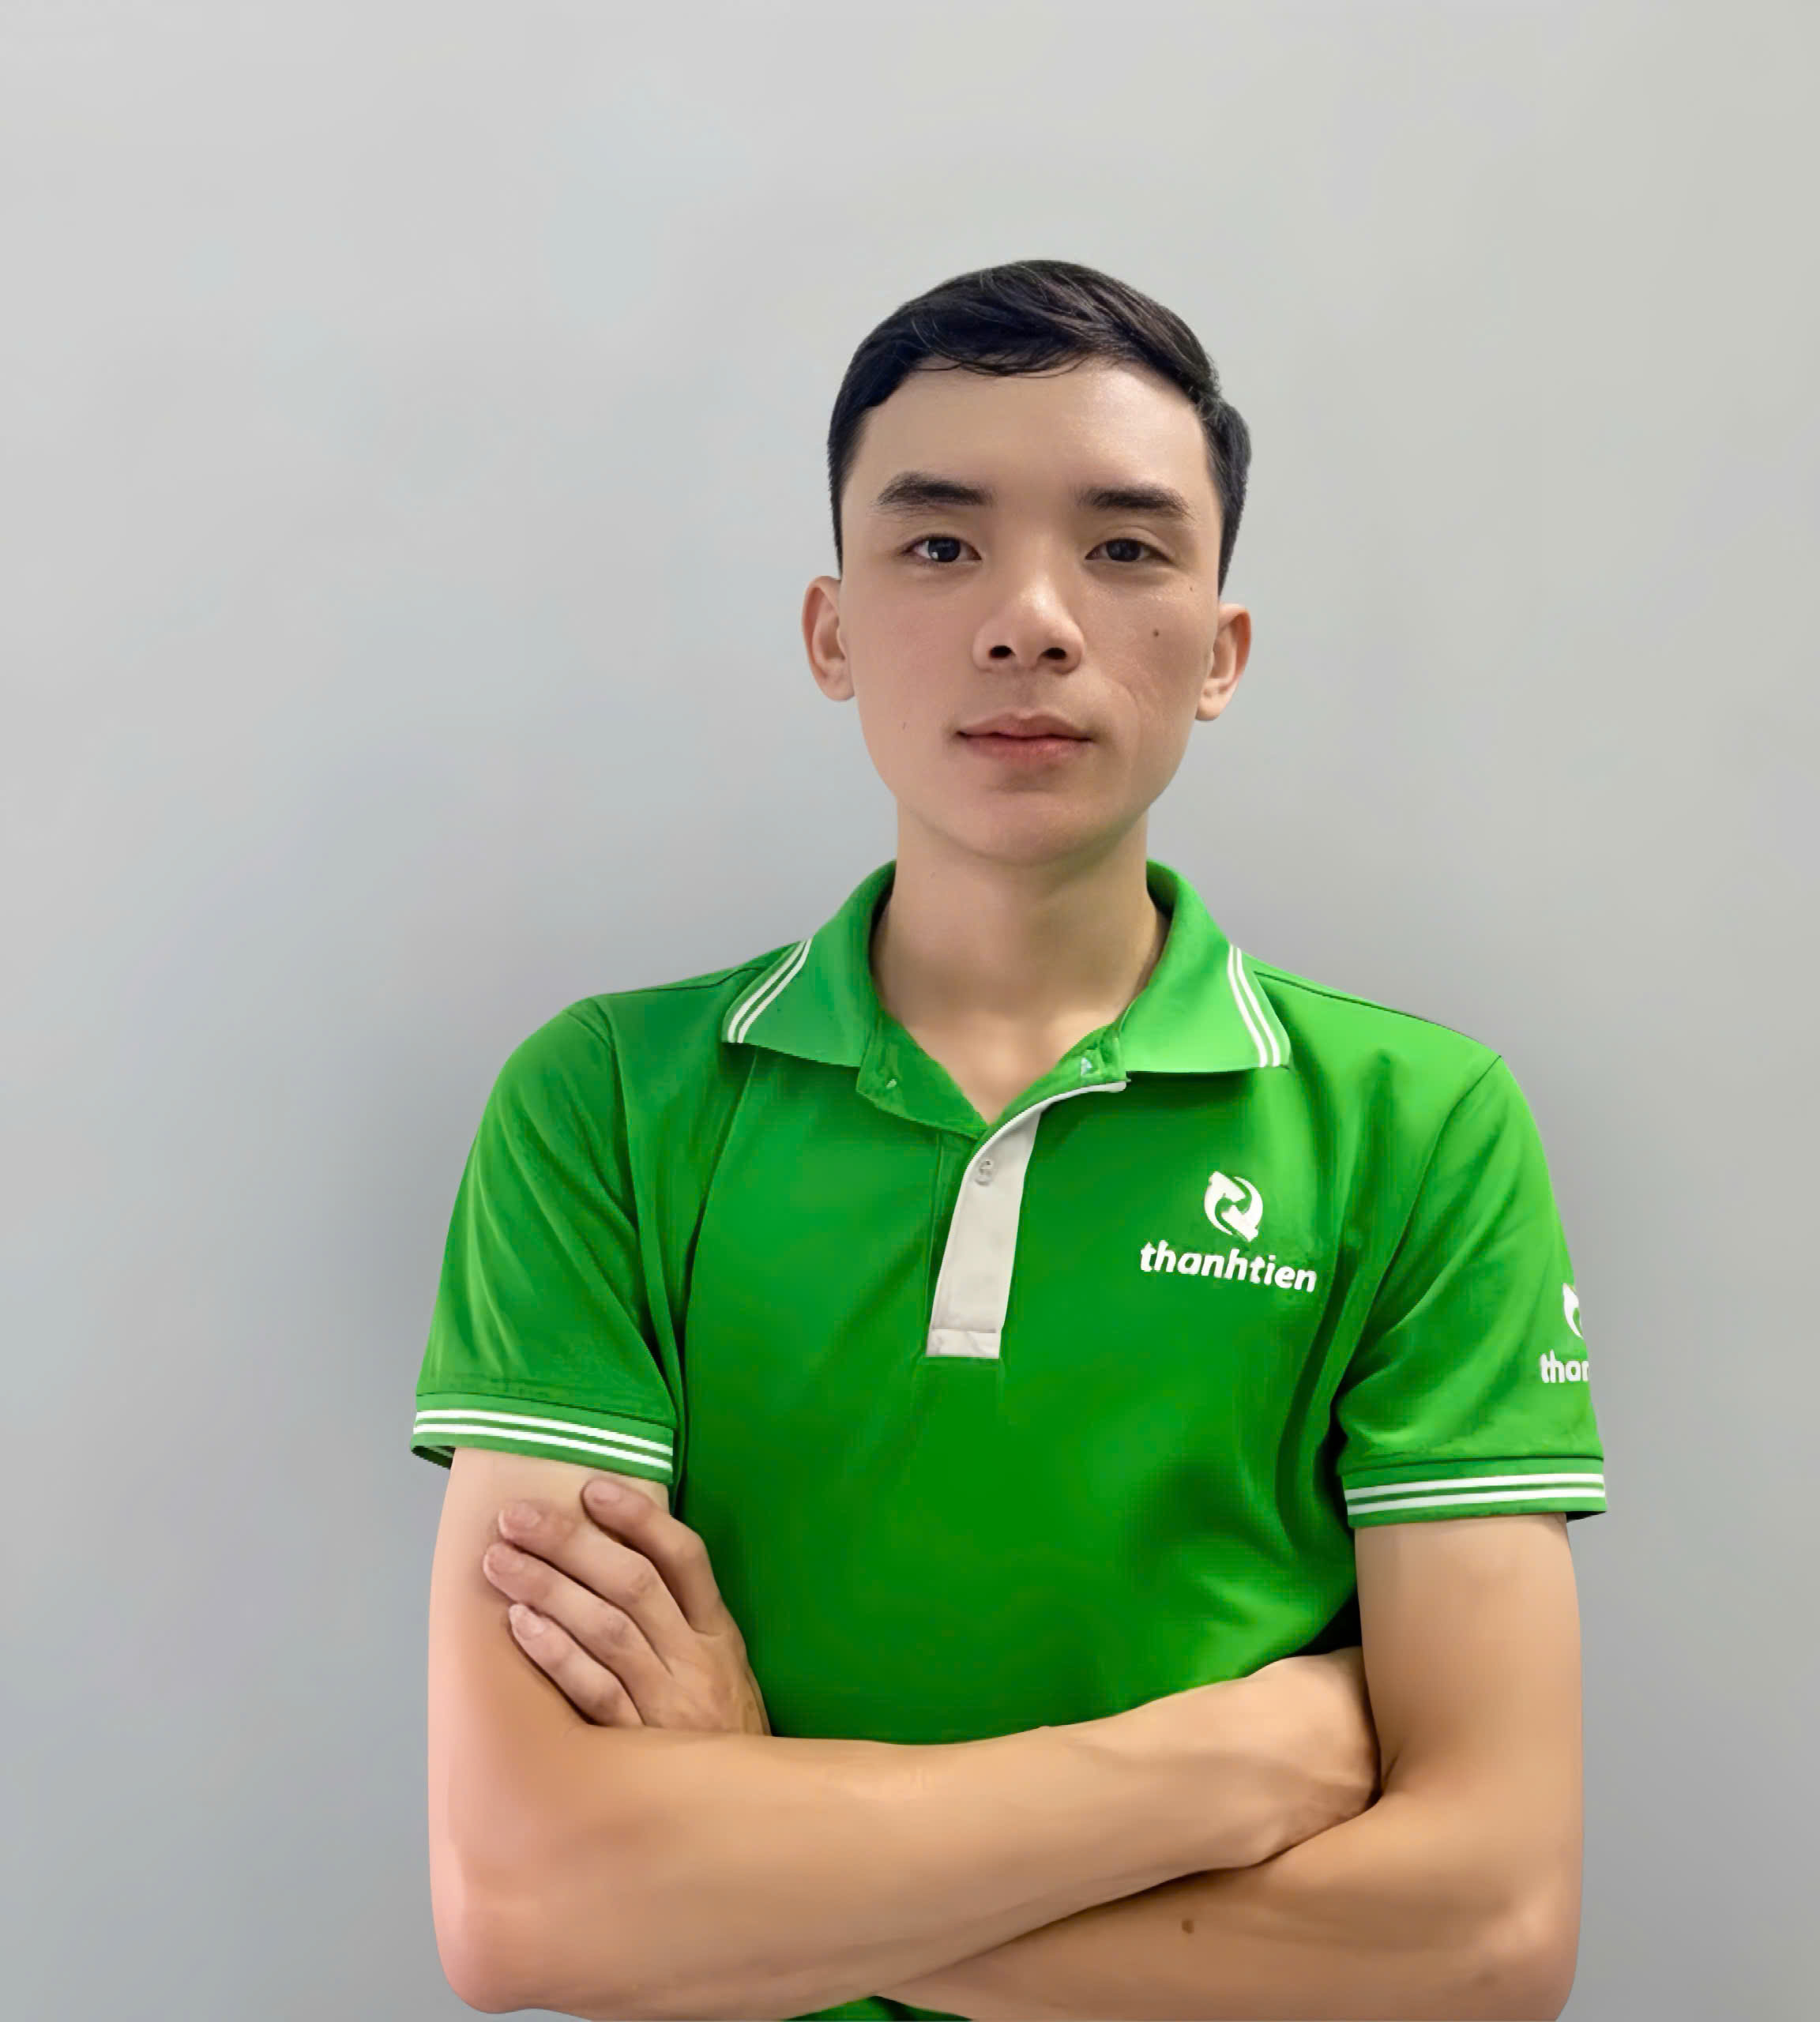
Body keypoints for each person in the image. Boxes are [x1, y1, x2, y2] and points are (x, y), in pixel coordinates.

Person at [412, 257, 1606, 2020]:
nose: (1030, 619)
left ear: (1221, 650)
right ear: (831, 631)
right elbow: (530, 1907)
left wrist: (754, 1843)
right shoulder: (603, 1102)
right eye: (938, 542)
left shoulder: (1417, 1127)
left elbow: (1485, 1938)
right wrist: (1213, 1771)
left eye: (1123, 547)